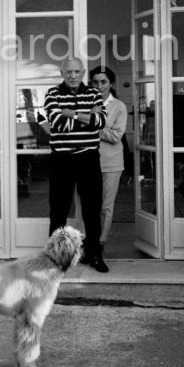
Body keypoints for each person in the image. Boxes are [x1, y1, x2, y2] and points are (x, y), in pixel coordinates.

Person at [44, 57, 109, 272]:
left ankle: (94, 253)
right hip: (61, 160)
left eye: (77, 72)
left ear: (83, 73)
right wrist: (86, 118)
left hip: (88, 159)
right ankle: (55, 258)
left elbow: (100, 122)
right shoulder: (52, 94)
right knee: (59, 209)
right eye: (69, 72)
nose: (73, 75)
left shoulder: (93, 94)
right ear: (63, 73)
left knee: (92, 209)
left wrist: (71, 113)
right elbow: (57, 124)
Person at [89, 66, 128, 254]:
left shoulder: (119, 106)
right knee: (87, 204)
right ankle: (87, 241)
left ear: (110, 83)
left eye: (103, 82)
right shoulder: (85, 104)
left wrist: (91, 125)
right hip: (86, 162)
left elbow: (116, 136)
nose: (99, 86)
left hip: (111, 163)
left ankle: (100, 243)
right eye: (95, 82)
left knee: (106, 206)